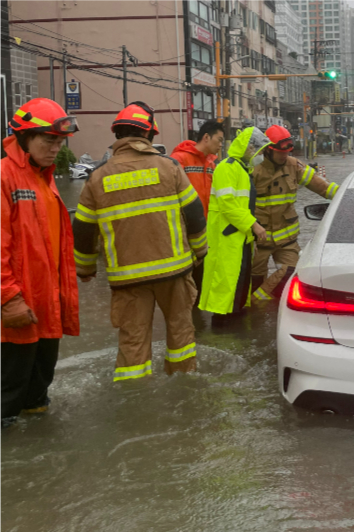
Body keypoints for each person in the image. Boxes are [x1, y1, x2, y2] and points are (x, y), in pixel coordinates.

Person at [72, 101, 208, 381]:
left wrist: (85, 270)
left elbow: (83, 231)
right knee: (181, 334)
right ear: (149, 135)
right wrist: (200, 251)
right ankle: (185, 387)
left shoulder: (97, 178)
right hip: (174, 272)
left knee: (132, 343)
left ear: (118, 136)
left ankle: (134, 401)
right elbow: (195, 215)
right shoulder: (169, 167)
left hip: (128, 279)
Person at [1, 98, 80, 426]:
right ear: (24, 137)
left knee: (38, 392)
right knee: (8, 395)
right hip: (19, 307)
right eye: (48, 141)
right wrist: (8, 297)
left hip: (48, 307)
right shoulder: (6, 177)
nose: (55, 149)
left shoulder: (44, 179)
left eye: (59, 142)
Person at [250, 125, 339, 301]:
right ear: (268, 150)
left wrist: (347, 196)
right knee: (252, 281)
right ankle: (256, 311)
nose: (285, 156)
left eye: (288, 152)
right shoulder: (253, 170)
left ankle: (259, 302)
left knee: (295, 276)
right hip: (258, 241)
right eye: (281, 153)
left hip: (286, 241)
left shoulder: (293, 166)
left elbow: (323, 187)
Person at [198, 127, 271, 325]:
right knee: (224, 279)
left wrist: (250, 234)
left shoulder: (241, 170)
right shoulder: (227, 168)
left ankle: (234, 315)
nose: (261, 155)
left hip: (239, 236)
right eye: (260, 151)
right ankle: (222, 321)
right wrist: (254, 226)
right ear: (249, 148)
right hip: (225, 236)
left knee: (238, 278)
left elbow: (242, 207)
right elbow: (228, 205)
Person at [170, 119, 224, 298]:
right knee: (185, 281)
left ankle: (197, 320)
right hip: (183, 231)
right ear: (206, 137)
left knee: (201, 278)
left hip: (205, 230)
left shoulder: (212, 163)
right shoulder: (179, 159)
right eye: (219, 140)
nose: (220, 145)